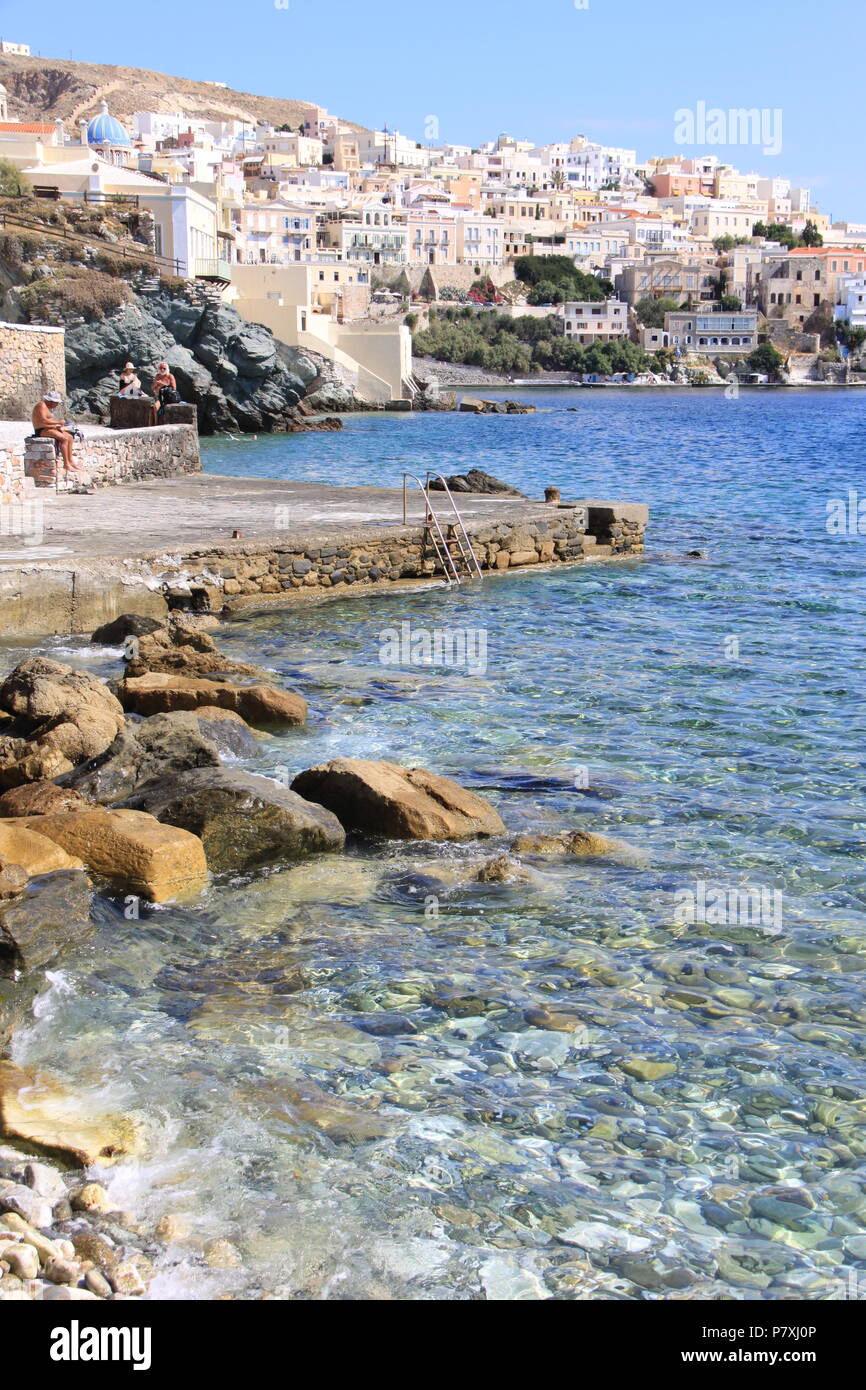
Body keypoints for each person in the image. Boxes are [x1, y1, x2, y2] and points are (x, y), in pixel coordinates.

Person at [31, 391, 87, 476]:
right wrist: (58, 422)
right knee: (64, 439)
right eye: (56, 403)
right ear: (51, 401)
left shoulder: (48, 408)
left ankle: (70, 460)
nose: (57, 405)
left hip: (48, 428)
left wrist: (59, 425)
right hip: (41, 430)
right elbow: (43, 421)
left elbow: (49, 421)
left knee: (69, 437)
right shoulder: (41, 405)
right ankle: (66, 464)